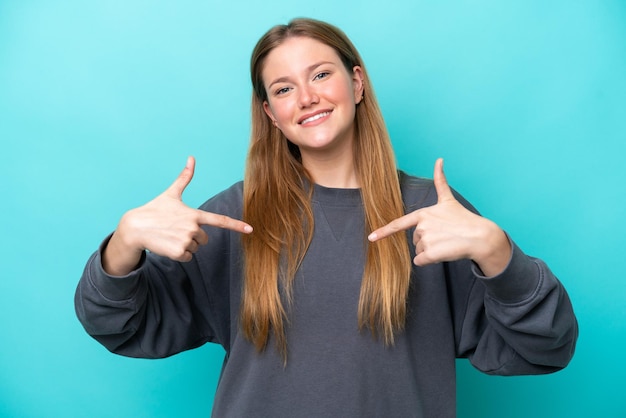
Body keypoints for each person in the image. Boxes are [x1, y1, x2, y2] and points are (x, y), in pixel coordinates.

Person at [75, 17, 578, 417]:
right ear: (270, 113)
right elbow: (119, 325)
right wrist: (124, 245)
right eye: (284, 88)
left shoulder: (435, 216)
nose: (308, 97)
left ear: (357, 83)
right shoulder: (235, 216)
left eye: (320, 74)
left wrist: (500, 255)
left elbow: (546, 347)